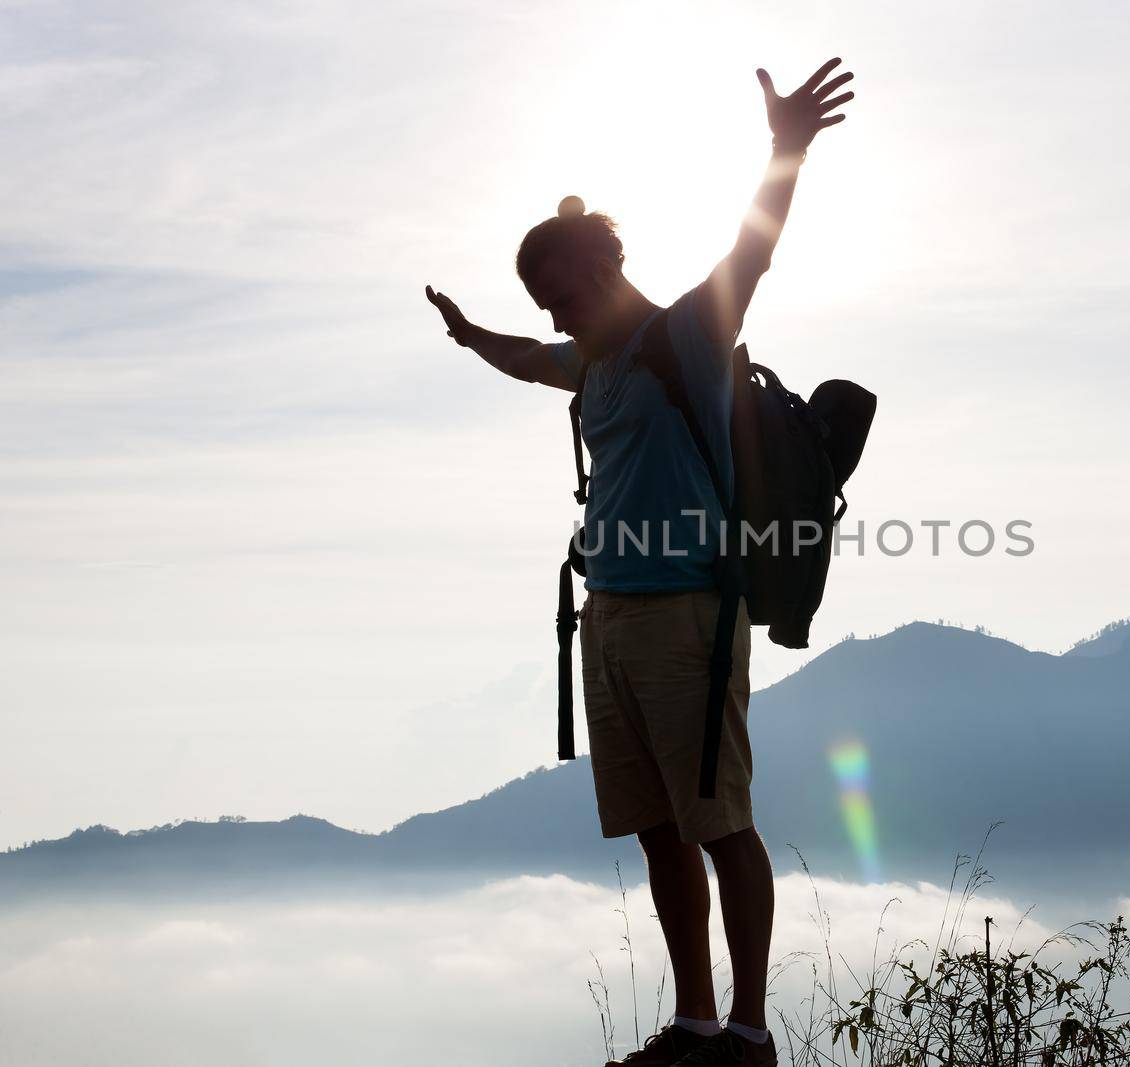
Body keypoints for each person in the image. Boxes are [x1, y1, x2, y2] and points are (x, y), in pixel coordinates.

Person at [424, 58, 854, 1067]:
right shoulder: (591, 362)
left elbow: (753, 254)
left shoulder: (689, 336)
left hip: (686, 619)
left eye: (557, 292)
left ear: (604, 269)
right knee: (659, 830)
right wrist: (466, 333)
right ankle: (696, 1024)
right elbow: (527, 358)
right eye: (540, 298)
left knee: (720, 824)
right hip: (608, 616)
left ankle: (747, 1034)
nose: (552, 313)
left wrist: (785, 148)